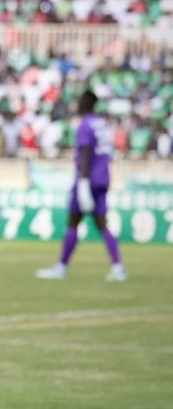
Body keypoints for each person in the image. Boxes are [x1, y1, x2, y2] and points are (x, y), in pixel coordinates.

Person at [36, 90, 126, 281]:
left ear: (86, 102)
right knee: (102, 223)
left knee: (73, 222)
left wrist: (84, 182)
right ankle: (118, 266)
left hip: (88, 178)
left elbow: (85, 153)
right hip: (103, 178)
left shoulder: (85, 125)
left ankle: (61, 267)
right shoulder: (102, 124)